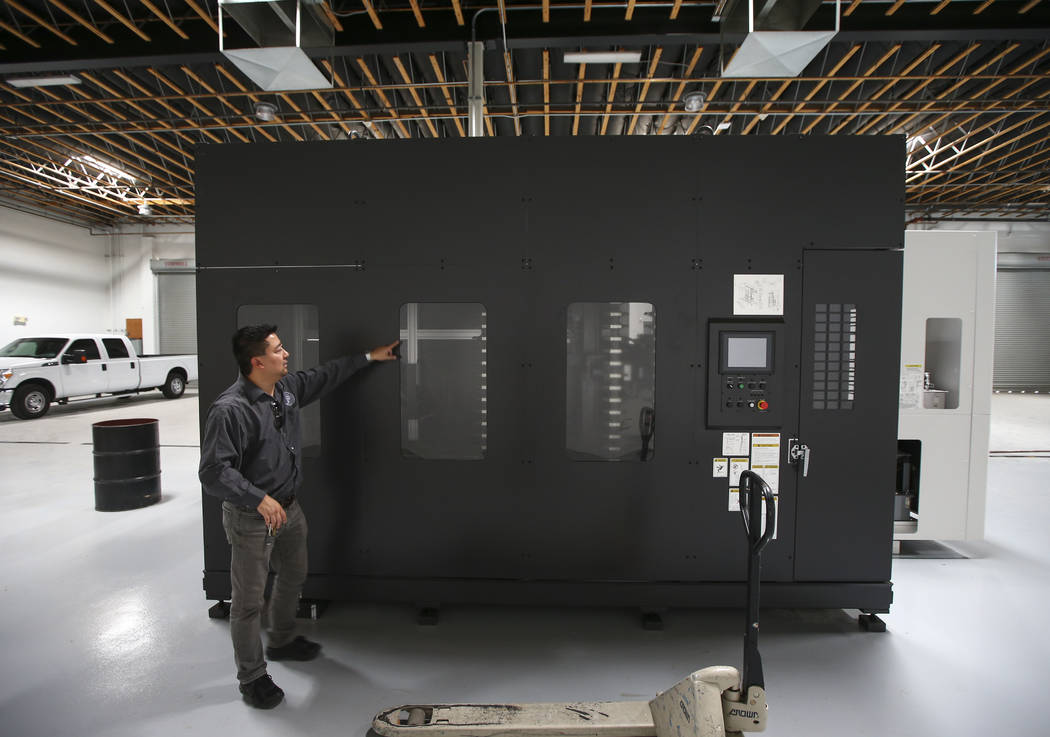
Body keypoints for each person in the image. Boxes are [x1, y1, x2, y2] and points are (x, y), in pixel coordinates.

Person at [199, 324, 398, 709]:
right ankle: (252, 678)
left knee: (293, 574)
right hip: (251, 518)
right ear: (258, 362)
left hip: (289, 508)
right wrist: (258, 498)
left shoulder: (286, 390)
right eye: (277, 350)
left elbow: (325, 375)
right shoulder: (230, 410)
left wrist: (369, 357)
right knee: (248, 603)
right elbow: (213, 471)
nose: (286, 353)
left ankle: (282, 640)